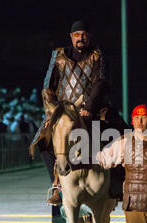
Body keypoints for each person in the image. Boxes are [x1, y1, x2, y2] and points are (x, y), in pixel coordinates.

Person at [30, 20, 114, 206]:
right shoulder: (58, 56)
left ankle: (116, 184)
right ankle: (57, 184)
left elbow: (100, 82)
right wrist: (51, 113)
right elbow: (47, 87)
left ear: (89, 36)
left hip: (92, 109)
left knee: (119, 132)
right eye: (77, 34)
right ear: (71, 36)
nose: (80, 38)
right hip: (62, 110)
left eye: (84, 34)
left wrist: (89, 108)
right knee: (42, 142)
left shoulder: (97, 54)